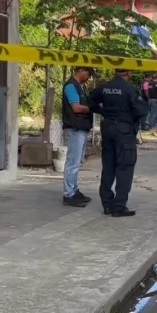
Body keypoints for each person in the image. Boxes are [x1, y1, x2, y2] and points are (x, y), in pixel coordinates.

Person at [90, 69, 148, 217]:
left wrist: (104, 112)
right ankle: (119, 206)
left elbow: (90, 102)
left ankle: (107, 204)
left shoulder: (104, 87)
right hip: (124, 132)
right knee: (125, 167)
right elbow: (141, 111)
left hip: (108, 129)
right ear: (129, 72)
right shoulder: (129, 89)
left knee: (108, 166)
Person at [61, 67, 96, 208]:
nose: (88, 78)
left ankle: (74, 190)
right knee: (72, 162)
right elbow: (76, 108)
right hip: (75, 128)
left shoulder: (80, 87)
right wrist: (93, 107)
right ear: (81, 70)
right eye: (88, 74)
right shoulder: (71, 86)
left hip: (81, 128)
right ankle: (69, 194)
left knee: (77, 162)